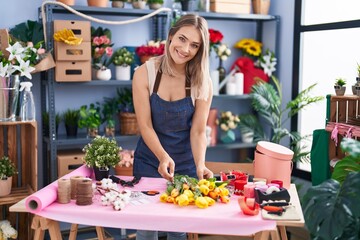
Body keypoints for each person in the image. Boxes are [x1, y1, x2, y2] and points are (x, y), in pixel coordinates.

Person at [132, 14, 214, 240]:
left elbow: (198, 131)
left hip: (186, 166)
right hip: (150, 161)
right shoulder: (145, 73)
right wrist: (162, 157)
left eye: (194, 45)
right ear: (170, 37)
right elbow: (145, 126)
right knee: (146, 229)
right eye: (182, 39)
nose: (186, 49)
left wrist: (200, 165)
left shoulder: (202, 81)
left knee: (178, 230)